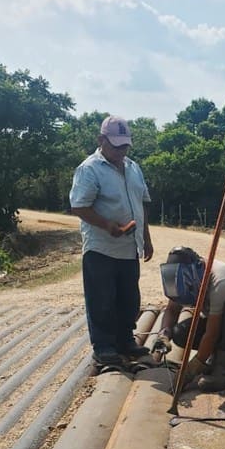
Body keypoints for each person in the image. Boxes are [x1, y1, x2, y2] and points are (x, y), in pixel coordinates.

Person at [69, 115, 154, 367]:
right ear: (101, 140)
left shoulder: (133, 168)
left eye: (124, 144)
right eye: (116, 144)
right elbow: (79, 206)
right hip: (101, 248)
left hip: (129, 247)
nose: (121, 149)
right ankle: (104, 347)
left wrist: (146, 238)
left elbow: (142, 204)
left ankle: (125, 340)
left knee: (129, 298)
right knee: (102, 300)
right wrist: (107, 225)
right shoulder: (89, 169)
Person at [151, 246, 225, 391]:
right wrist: (164, 335)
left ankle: (224, 371)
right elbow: (172, 310)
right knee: (180, 333)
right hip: (218, 322)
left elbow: (211, 334)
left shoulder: (221, 280)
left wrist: (192, 368)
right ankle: (214, 360)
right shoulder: (180, 278)